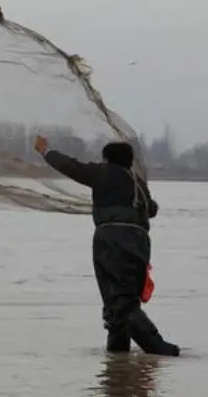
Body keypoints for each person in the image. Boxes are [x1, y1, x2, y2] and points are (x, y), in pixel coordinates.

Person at [33, 135, 180, 357]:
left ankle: (157, 347)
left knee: (119, 299)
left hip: (112, 239)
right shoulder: (137, 181)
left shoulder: (102, 173)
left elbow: (71, 167)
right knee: (120, 297)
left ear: (108, 159)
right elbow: (152, 210)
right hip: (139, 241)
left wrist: (46, 151)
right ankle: (117, 355)